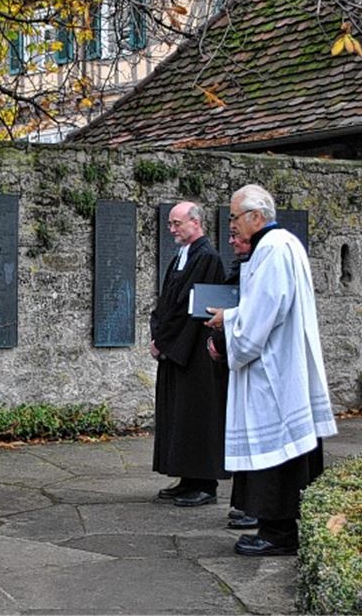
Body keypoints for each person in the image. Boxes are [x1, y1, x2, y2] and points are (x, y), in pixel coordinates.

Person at [206, 184, 338, 556]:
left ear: (255, 216)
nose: (231, 224)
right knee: (282, 450)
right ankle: (273, 527)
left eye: (234, 217)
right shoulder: (282, 245)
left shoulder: (273, 250)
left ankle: (278, 532)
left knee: (276, 451)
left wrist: (226, 321)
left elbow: (262, 313)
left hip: (273, 371)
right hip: (280, 363)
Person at [149, 202, 228, 507]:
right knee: (180, 415)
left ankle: (204, 484)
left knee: (197, 415)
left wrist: (166, 343)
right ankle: (186, 478)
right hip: (177, 349)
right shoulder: (183, 256)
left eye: (177, 224)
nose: (172, 230)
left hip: (194, 352)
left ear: (195, 223)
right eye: (170, 224)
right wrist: (157, 334)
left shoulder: (206, 257)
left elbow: (189, 307)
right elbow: (167, 300)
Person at [206, 230, 258, 531]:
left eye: (237, 235)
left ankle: (256, 506)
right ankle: (245, 501)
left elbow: (252, 314)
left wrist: (226, 327)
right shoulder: (242, 264)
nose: (231, 241)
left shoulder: (264, 264)